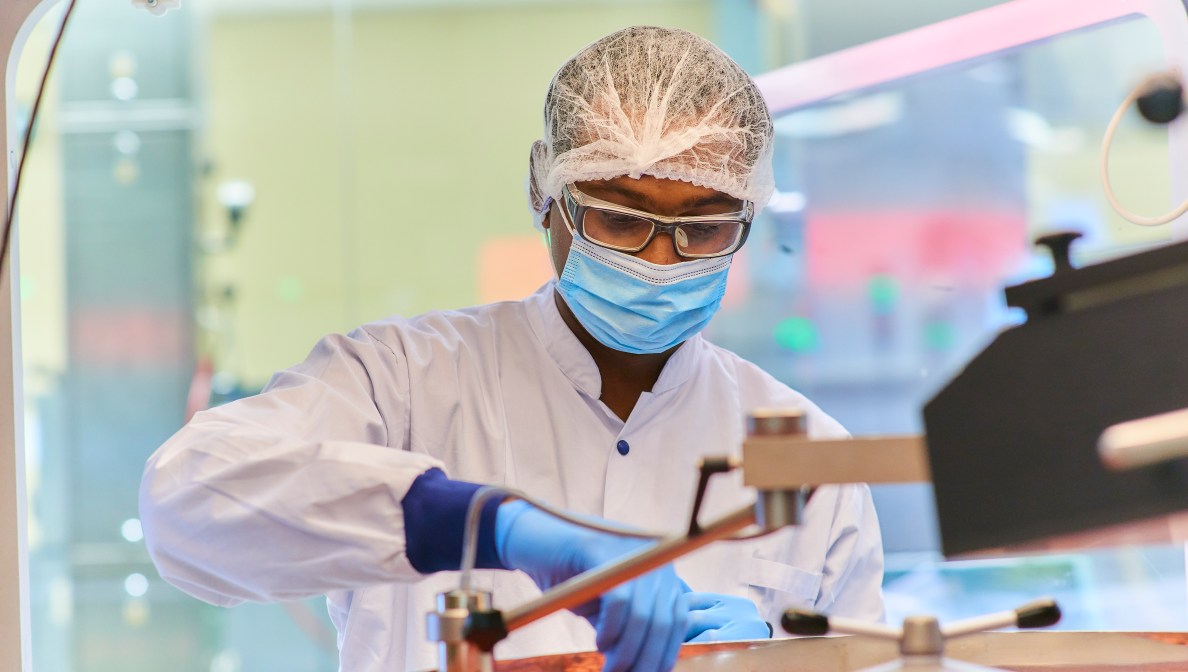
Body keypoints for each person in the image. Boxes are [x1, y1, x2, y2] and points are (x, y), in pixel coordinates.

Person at [139, 25, 884, 672]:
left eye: (704, 228)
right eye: (620, 221)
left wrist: (786, 660)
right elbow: (185, 506)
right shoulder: (404, 383)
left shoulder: (809, 455)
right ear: (545, 194)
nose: (661, 263)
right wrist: (487, 525)